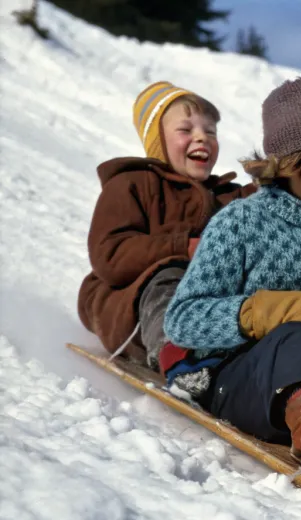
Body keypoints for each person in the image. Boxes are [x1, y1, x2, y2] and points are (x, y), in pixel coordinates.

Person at [164, 76, 301, 478]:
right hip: (237, 382)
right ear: (293, 160)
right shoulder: (242, 221)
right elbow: (181, 321)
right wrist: (258, 312)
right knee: (299, 335)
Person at [77, 81, 255, 375]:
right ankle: (177, 354)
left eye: (210, 132)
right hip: (129, 305)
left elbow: (269, 204)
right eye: (186, 130)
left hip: (201, 304)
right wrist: (182, 247)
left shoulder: (227, 197)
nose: (202, 138)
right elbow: (110, 253)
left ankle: (238, 366)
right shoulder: (131, 184)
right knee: (169, 277)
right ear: (158, 140)